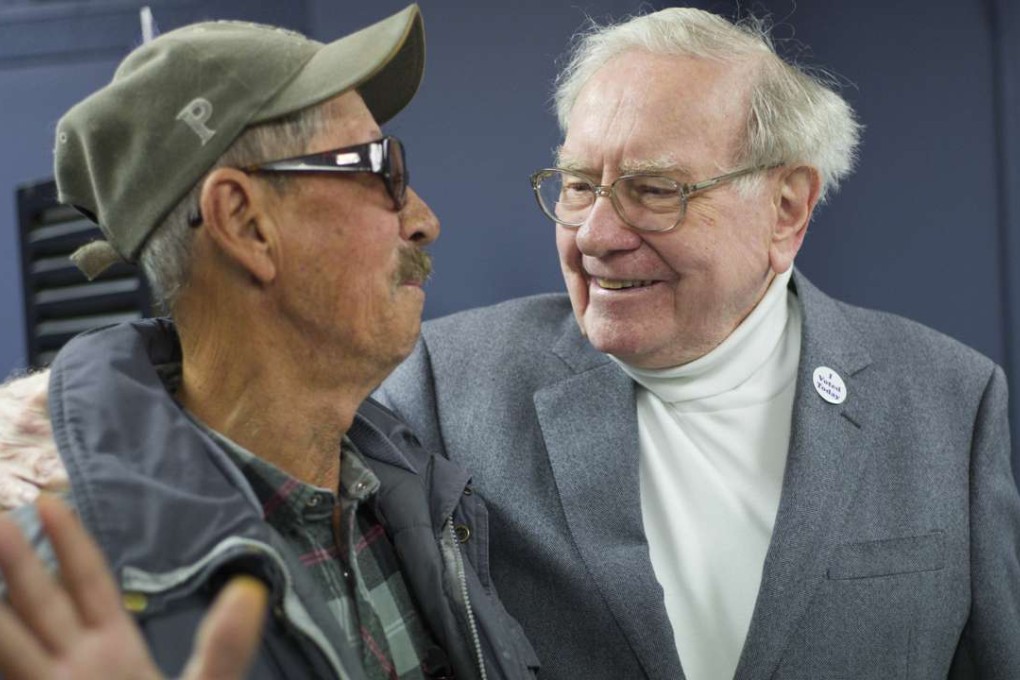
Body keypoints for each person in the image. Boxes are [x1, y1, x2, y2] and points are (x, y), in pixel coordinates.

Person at [375, 7, 1020, 680]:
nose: (595, 235)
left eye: (654, 191)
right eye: (578, 186)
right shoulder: (444, 385)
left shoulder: (949, 401)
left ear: (787, 209)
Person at [0, 6, 538, 680]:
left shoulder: (413, 492)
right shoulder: (53, 603)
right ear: (245, 222)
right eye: (380, 168)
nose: (424, 220)